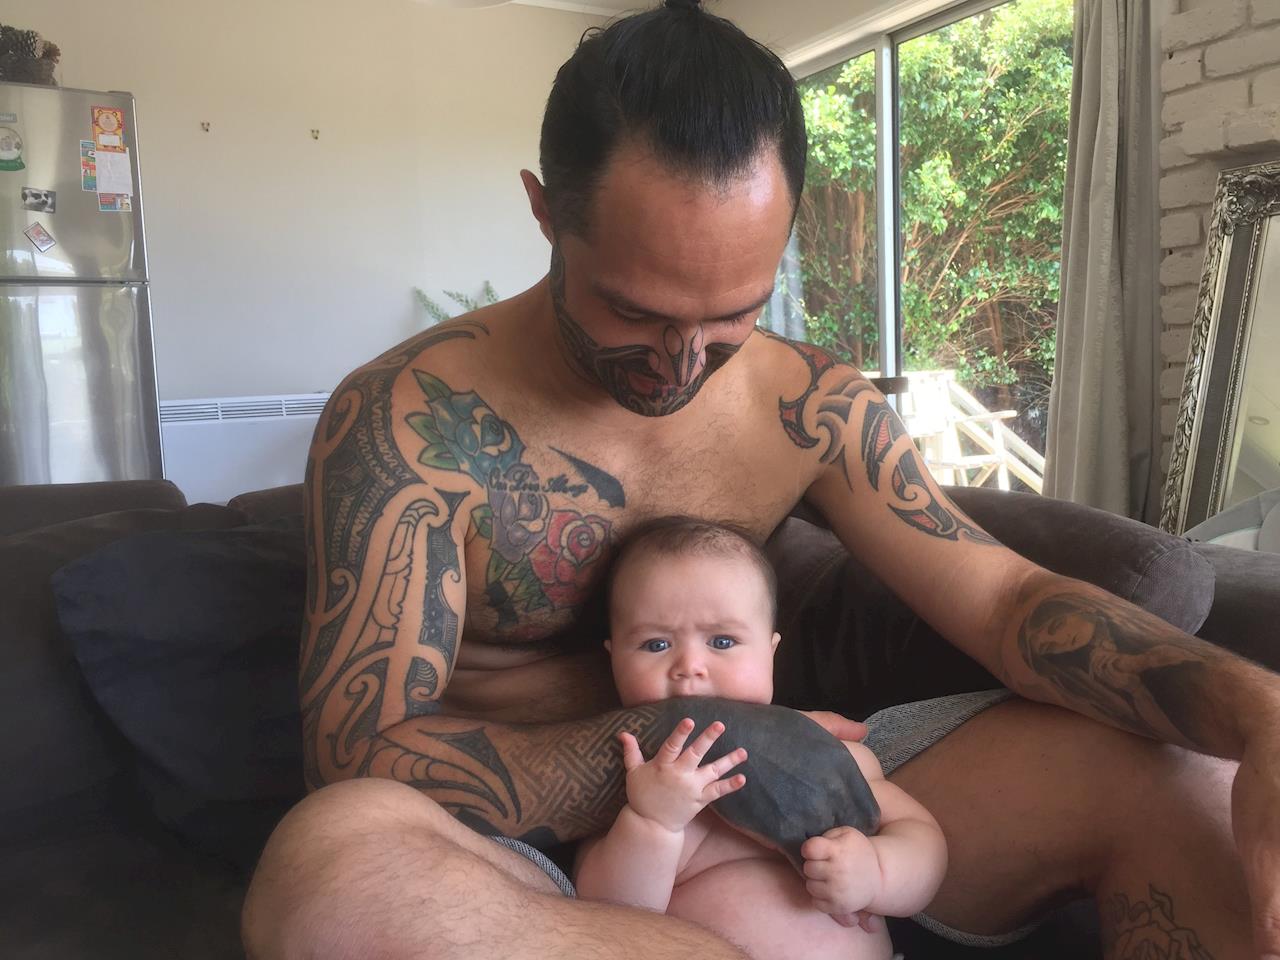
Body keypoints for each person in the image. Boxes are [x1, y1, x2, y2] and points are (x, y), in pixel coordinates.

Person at [242, 1, 1280, 957]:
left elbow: (1008, 602)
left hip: (793, 811)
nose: (680, 365)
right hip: (528, 856)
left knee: (1181, 774)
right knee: (332, 874)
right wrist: (689, 737)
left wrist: (1254, 710)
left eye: (734, 311)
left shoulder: (810, 406)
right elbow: (356, 752)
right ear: (546, 213)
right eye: (635, 312)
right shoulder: (408, 421)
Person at [575, 515, 947, 960]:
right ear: (613, 659)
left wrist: (878, 871)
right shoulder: (629, 780)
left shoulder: (823, 753)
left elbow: (923, 840)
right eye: (656, 644)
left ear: (770, 652)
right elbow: (602, 916)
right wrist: (653, 823)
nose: (689, 666)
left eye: (722, 641)